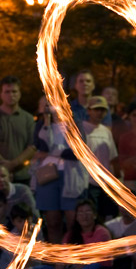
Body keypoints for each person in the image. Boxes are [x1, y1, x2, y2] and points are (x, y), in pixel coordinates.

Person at [33, 97, 88, 243]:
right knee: (52, 221)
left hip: (71, 176)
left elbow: (77, 153)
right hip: (48, 174)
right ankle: (57, 257)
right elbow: (41, 147)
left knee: (73, 220)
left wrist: (53, 152)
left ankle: (73, 252)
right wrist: (46, 121)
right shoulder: (41, 125)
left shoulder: (74, 124)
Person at [0, 76, 36, 185]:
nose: (11, 95)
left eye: (14, 91)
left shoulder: (27, 118)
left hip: (21, 175)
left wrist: (14, 163)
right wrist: (1, 161)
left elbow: (32, 146)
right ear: (1, 94)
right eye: (7, 92)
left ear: (19, 93)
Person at [83, 96, 119, 220]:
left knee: (107, 216)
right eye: (96, 109)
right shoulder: (82, 128)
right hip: (88, 182)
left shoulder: (106, 132)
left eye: (102, 110)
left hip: (105, 182)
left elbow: (112, 158)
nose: (99, 113)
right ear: (89, 111)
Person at [63, 199, 112, 268]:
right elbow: (64, 254)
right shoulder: (71, 234)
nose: (84, 216)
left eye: (88, 211)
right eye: (80, 212)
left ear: (95, 215)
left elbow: (96, 258)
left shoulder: (102, 232)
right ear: (76, 217)